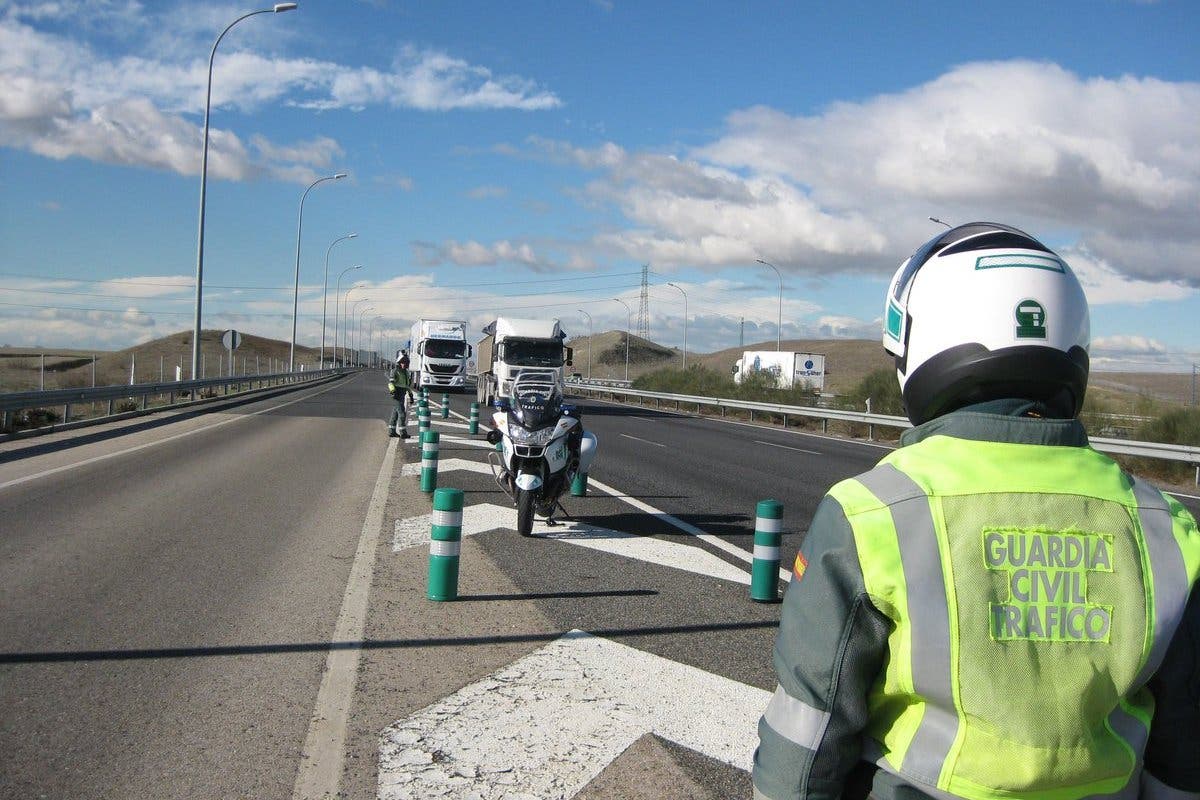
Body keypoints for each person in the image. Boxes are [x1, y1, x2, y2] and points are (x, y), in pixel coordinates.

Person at [752, 222, 1200, 800]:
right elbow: (1183, 752)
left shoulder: (870, 514)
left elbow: (808, 740)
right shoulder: (1167, 529)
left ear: (924, 343)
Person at [387, 353, 416, 439]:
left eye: (406, 363)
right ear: (399, 363)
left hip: (403, 394)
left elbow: (407, 385)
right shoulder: (395, 371)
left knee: (395, 413)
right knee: (402, 413)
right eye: (403, 362)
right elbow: (390, 383)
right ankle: (403, 433)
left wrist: (410, 395)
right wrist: (392, 391)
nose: (405, 364)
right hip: (397, 393)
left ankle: (391, 431)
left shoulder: (406, 373)